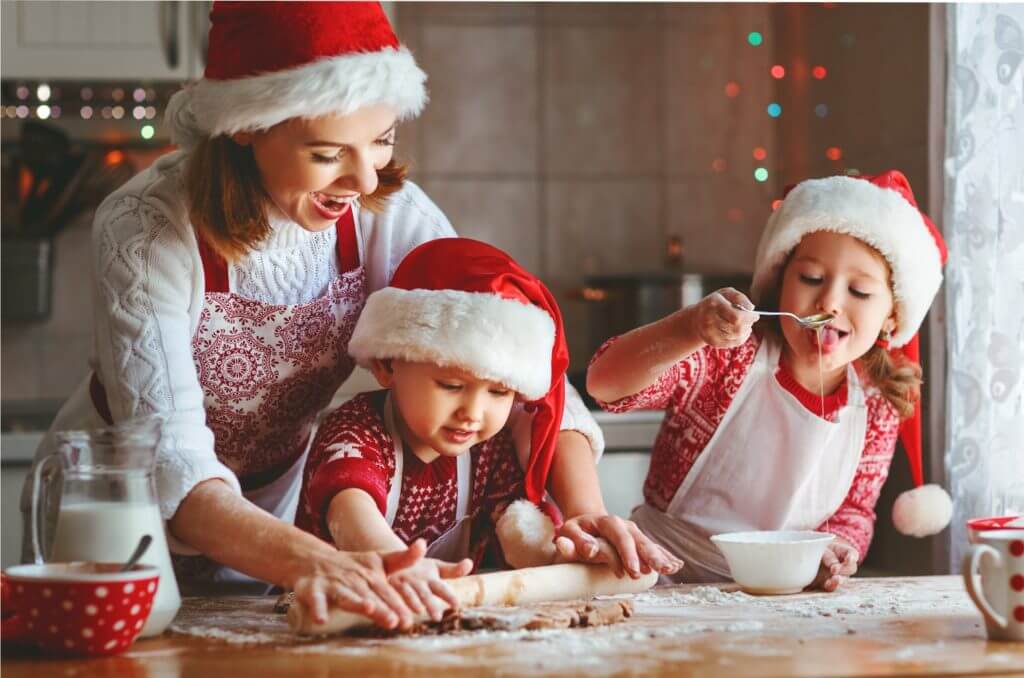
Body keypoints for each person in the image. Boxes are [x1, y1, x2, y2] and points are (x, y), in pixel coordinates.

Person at [19, 1, 613, 629]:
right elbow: (174, 460)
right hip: (118, 519)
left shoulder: (389, 211)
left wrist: (582, 510)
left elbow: (506, 353)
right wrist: (320, 563)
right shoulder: (146, 227)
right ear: (247, 126)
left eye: (381, 140)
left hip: (277, 526)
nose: (363, 178)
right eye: (328, 153)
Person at [587, 170, 954, 591]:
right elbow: (604, 383)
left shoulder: (875, 401)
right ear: (780, 282)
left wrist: (834, 552)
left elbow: (854, 509)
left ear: (893, 315)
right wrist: (689, 329)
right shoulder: (729, 358)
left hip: (783, 598)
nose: (830, 302)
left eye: (860, 291)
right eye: (812, 279)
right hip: (665, 581)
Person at [296, 239, 683, 618]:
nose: (473, 412)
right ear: (387, 366)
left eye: (498, 392)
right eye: (451, 386)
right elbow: (349, 513)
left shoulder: (489, 451)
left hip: (432, 625)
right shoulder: (356, 432)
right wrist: (396, 564)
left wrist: (571, 553)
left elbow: (520, 530)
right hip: (332, 617)